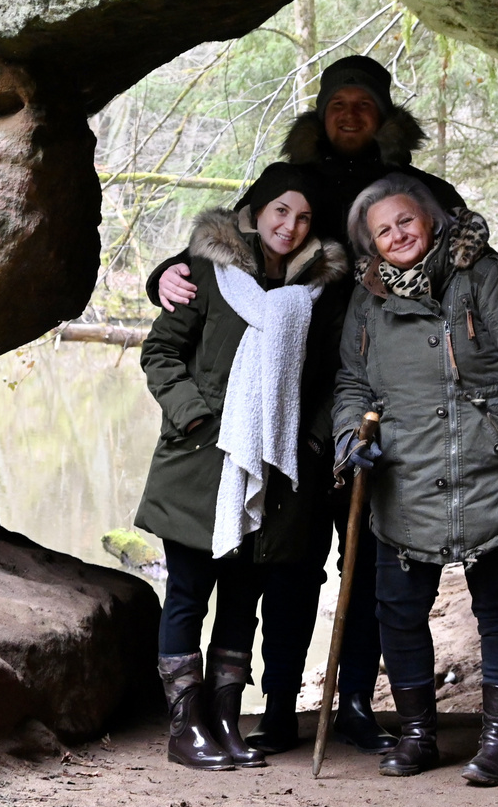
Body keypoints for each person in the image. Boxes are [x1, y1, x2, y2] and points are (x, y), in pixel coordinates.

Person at [143, 56, 498, 758]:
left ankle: (356, 696)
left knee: (365, 562)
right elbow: (226, 251)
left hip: (382, 410)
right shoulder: (286, 185)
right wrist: (164, 275)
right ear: (320, 114)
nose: (351, 115)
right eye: (339, 104)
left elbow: (476, 262)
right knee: (288, 565)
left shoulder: (418, 192)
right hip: (288, 416)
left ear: (385, 117)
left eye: (365, 104)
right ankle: (277, 705)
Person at [333, 173, 498, 787]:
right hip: (406, 476)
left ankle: (497, 742)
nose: (398, 235)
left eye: (406, 220)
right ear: (372, 245)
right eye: (383, 230)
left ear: (431, 218)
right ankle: (417, 736)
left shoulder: (484, 275)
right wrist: (349, 439)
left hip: (487, 466)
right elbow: (353, 382)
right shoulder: (366, 298)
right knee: (398, 612)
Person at [134, 163, 349, 770]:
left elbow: (333, 377)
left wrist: (307, 442)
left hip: (276, 470)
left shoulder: (321, 289)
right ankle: (185, 726)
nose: (291, 225)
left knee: (241, 600)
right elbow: (161, 352)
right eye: (281, 210)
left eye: (304, 217)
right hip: (203, 462)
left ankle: (225, 719)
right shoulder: (209, 270)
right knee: (186, 596)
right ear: (256, 211)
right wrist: (198, 418)